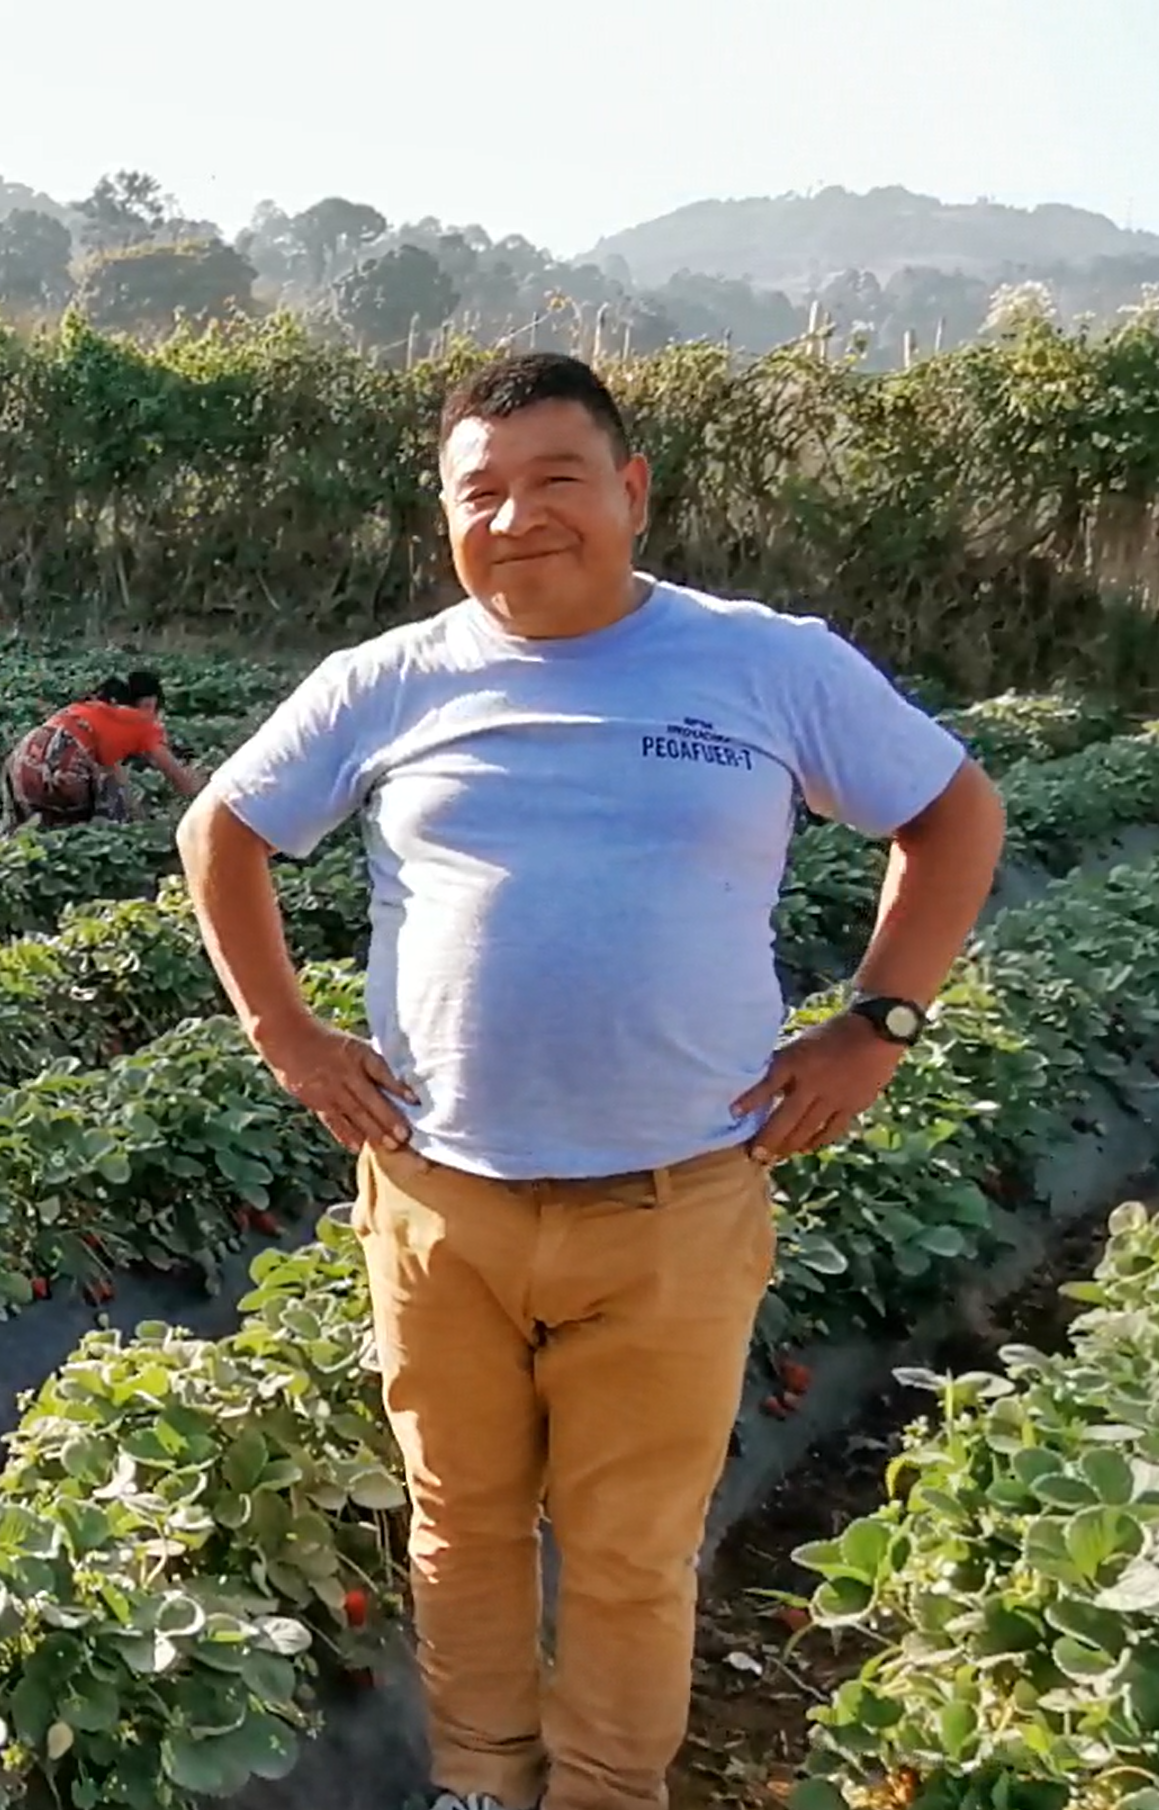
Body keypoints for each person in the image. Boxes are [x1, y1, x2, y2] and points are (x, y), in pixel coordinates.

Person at [176, 353, 1005, 1810]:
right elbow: (218, 831)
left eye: (554, 480)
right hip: (441, 1197)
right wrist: (284, 1033)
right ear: (443, 515)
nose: (515, 518)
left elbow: (952, 813)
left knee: (629, 1543)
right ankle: (480, 1782)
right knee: (460, 1524)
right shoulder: (388, 678)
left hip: (672, 1193)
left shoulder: (765, 660)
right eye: (477, 491)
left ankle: (609, 1790)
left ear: (629, 491)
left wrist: (875, 1023)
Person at [0, 670, 204, 833]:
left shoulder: (91, 711)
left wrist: (138, 816)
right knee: (89, 823)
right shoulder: (144, 722)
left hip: (22, 758)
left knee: (33, 828)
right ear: (149, 704)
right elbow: (179, 780)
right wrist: (204, 789)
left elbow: (117, 774)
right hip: (65, 764)